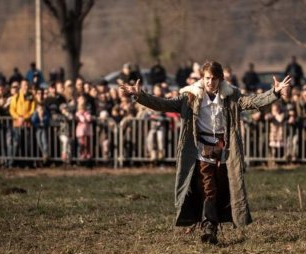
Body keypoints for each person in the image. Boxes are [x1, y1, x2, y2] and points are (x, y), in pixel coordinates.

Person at [119, 60, 291, 244]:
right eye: (208, 78)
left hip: (225, 152)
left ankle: (211, 225)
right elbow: (163, 103)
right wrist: (140, 96)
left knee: (221, 190)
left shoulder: (231, 97)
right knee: (208, 189)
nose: (210, 82)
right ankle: (209, 228)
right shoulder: (189, 97)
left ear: (220, 79)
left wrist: (274, 93)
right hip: (200, 151)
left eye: (214, 78)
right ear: (203, 78)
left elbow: (252, 102)